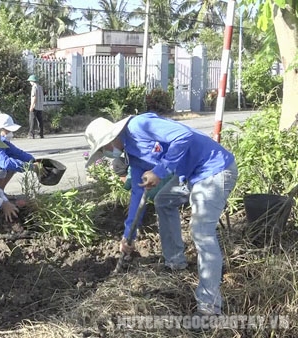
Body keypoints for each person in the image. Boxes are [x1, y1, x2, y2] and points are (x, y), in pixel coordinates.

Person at [84, 112, 238, 316]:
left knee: (202, 231)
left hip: (214, 169)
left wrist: (160, 170)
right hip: (192, 174)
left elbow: (184, 136)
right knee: (163, 200)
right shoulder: (133, 154)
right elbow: (139, 193)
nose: (107, 153)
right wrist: (129, 234)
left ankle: (209, 307)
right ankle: (175, 263)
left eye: (104, 149)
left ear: (111, 138)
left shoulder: (140, 125)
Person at [0, 113, 36, 190]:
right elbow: (5, 163)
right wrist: (30, 167)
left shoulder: (4, 142)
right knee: (0, 166)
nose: (11, 133)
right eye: (8, 131)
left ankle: (0, 191)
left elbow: (19, 153)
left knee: (14, 160)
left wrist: (35, 161)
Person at [27, 75, 44, 139]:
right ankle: (41, 134)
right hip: (40, 107)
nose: (29, 82)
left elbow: (34, 97)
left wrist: (31, 106)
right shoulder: (40, 87)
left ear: (32, 81)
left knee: (32, 120)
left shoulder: (34, 87)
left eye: (30, 81)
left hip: (35, 107)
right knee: (40, 120)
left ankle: (31, 134)